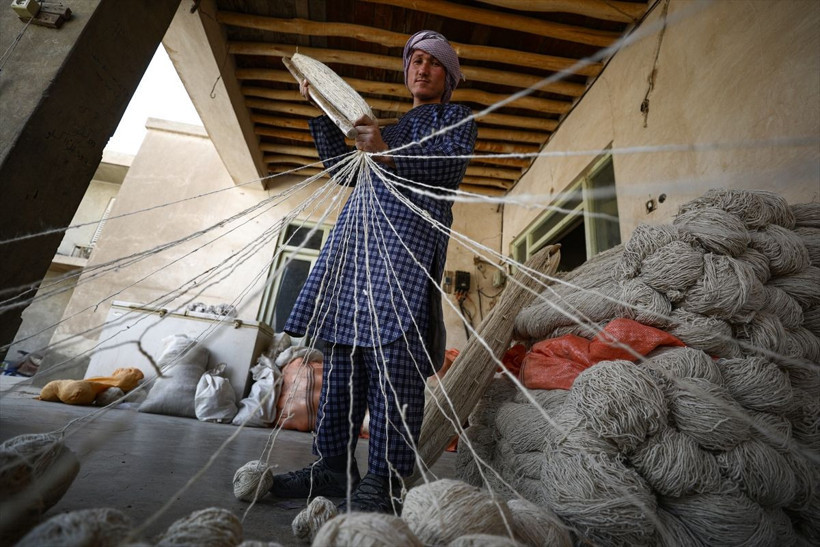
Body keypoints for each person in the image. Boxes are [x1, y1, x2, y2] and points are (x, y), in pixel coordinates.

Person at [271, 30, 477, 514]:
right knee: (343, 362)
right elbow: (344, 171)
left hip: (402, 258)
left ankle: (386, 479)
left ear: (448, 77)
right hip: (357, 253)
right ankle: (332, 468)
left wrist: (383, 147)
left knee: (393, 365)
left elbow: (445, 169)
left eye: (433, 63)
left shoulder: (456, 119)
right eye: (415, 61)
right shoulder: (395, 125)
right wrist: (325, 112)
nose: (421, 69)